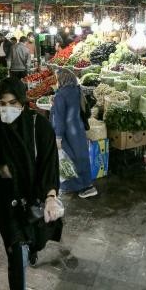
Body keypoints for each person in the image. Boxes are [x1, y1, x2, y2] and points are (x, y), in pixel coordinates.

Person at [0, 77, 63, 290]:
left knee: (36, 241)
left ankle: (33, 246)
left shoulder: (38, 126)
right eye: (2, 103)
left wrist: (51, 195)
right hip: (6, 201)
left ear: (23, 103)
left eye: (12, 103)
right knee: (16, 253)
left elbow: (48, 163)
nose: (7, 108)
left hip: (34, 197)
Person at [51, 68, 97, 198]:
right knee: (81, 158)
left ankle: (79, 187)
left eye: (57, 79)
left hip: (67, 133)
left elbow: (59, 118)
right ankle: (87, 185)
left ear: (62, 79)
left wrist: (58, 137)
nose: (56, 82)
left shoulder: (60, 95)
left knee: (69, 160)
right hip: (78, 130)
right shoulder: (76, 90)